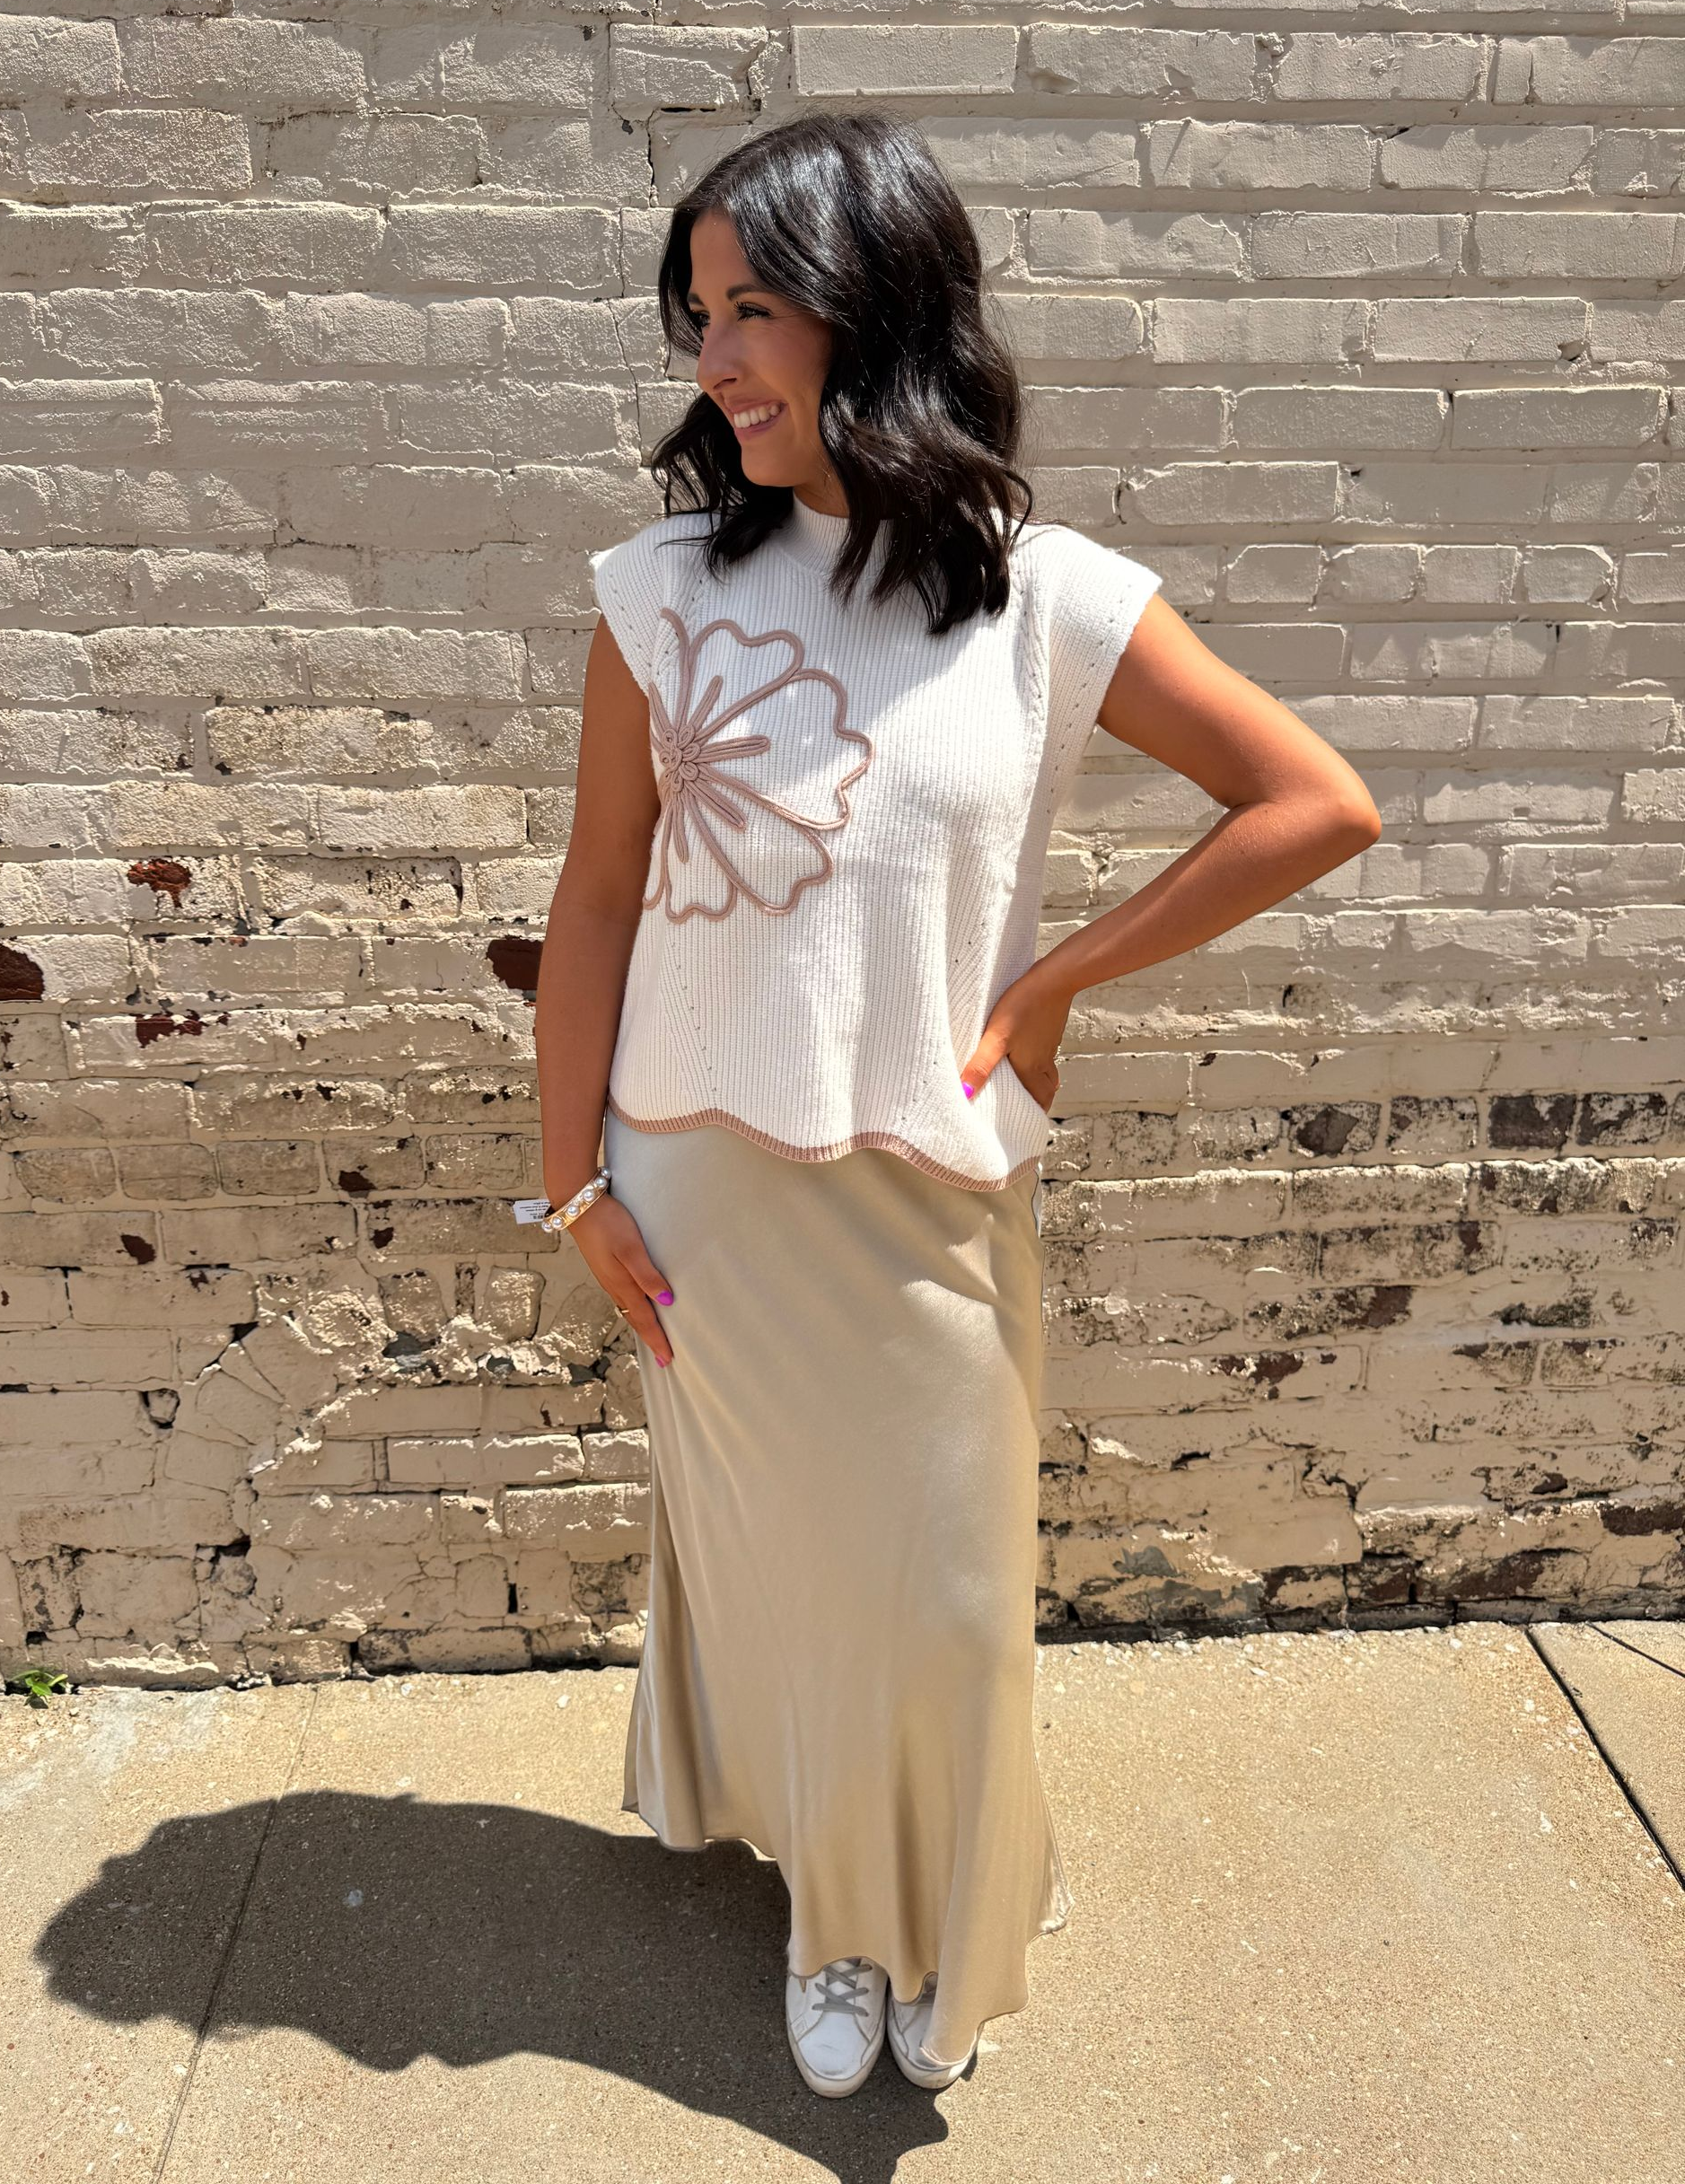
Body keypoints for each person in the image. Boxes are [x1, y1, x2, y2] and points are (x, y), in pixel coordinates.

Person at [532, 109, 1381, 2098]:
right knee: (792, 1581)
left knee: (940, 1586)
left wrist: (1054, 974)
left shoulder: (1051, 597)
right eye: (700, 313)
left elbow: (1312, 801)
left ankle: (955, 1883)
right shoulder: (660, 593)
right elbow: (585, 901)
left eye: (758, 310)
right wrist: (569, 1188)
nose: (714, 359)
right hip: (699, 1183)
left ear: (878, 309)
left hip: (927, 1187)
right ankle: (843, 1917)